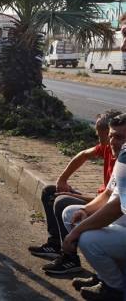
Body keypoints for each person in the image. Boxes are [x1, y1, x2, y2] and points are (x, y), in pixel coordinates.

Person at [28, 110, 122, 274]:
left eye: (108, 137)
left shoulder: (121, 158)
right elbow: (83, 155)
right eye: (106, 137)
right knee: (51, 191)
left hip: (113, 212)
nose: (106, 142)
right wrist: (62, 179)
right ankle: (55, 244)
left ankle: (70, 258)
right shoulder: (109, 148)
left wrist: (75, 197)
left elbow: (113, 202)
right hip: (104, 202)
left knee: (62, 202)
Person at [61, 114, 126, 300]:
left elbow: (115, 207)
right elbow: (107, 194)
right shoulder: (122, 157)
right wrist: (85, 211)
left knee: (89, 239)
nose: (112, 141)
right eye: (112, 135)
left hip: (122, 226)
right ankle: (103, 276)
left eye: (120, 137)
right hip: (119, 226)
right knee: (70, 213)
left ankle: (114, 288)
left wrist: (75, 232)